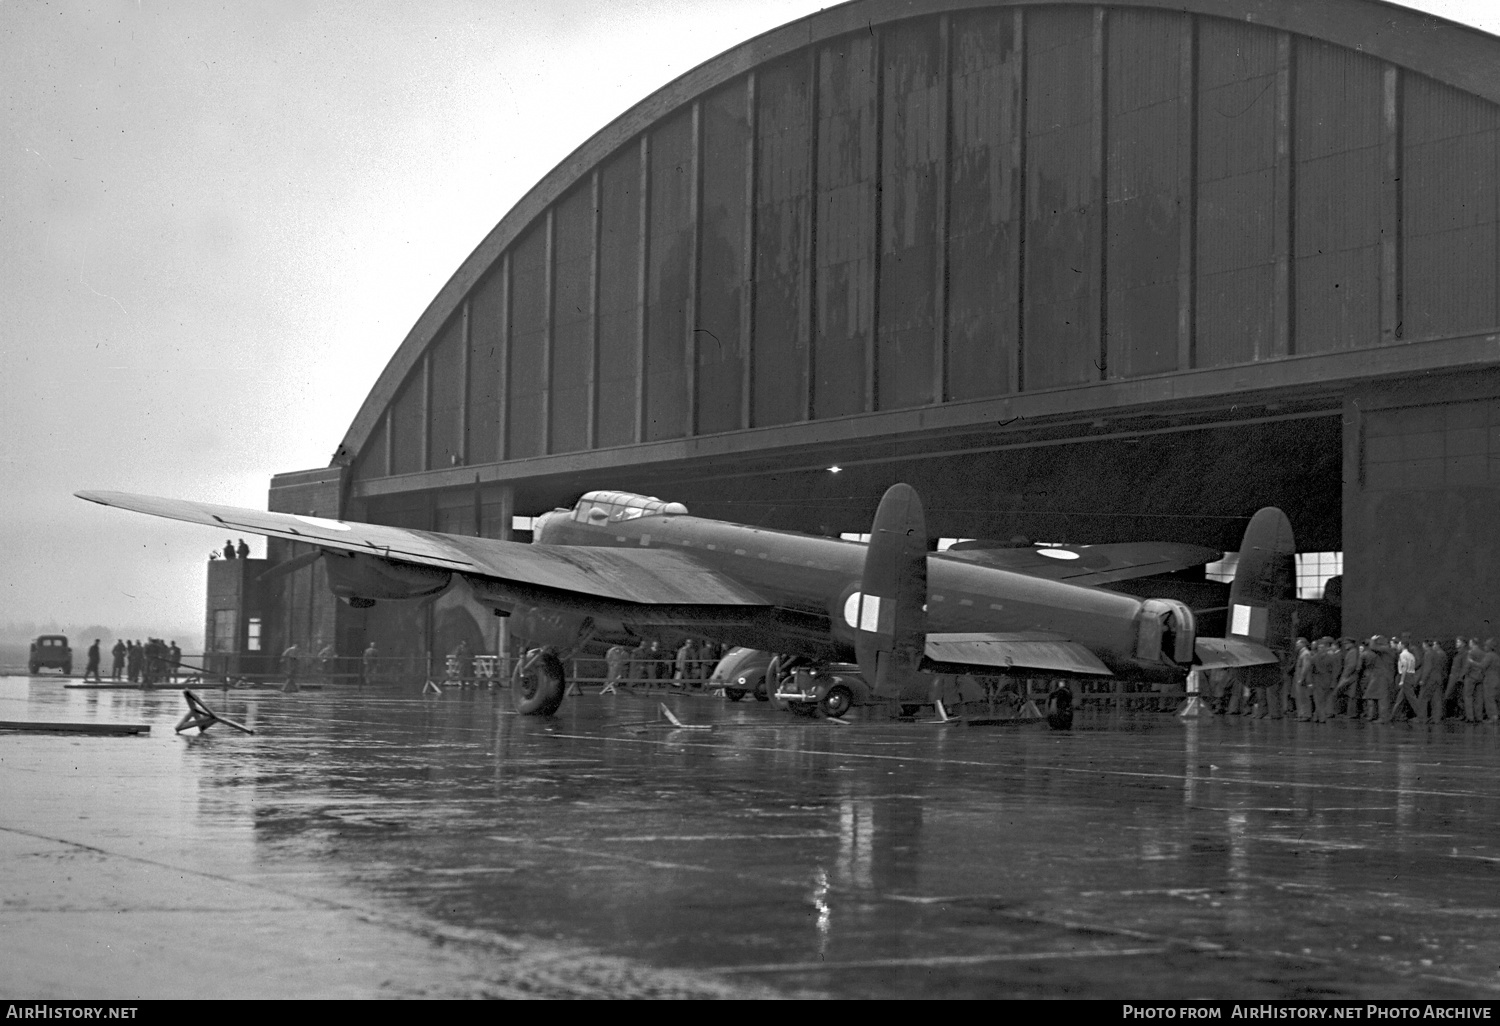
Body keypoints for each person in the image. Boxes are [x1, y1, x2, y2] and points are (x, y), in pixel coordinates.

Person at [1291, 638, 1313, 720]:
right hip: (1299, 678)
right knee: (1299, 697)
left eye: (1298, 644)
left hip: (1302, 679)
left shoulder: (1305, 653)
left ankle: (1306, 715)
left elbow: (1305, 667)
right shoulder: (1302, 653)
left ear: (1303, 644)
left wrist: (1302, 678)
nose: (1297, 646)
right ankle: (1301, 714)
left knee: (1303, 697)